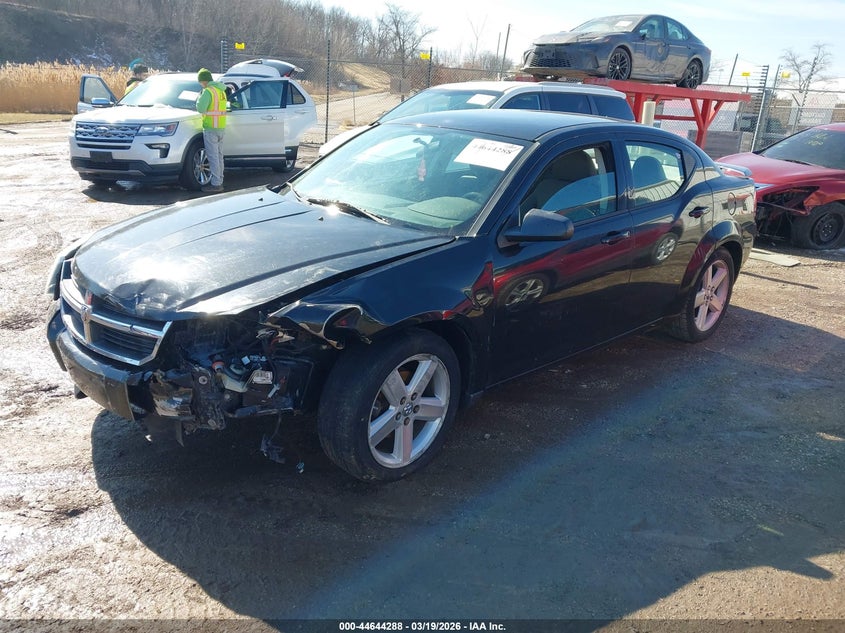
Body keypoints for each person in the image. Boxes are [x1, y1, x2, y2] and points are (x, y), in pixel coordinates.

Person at [195, 68, 228, 193]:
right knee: (219, 157)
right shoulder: (221, 91)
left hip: (210, 128)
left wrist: (199, 98)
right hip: (221, 127)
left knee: (213, 157)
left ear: (203, 81)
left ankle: (216, 184)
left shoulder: (208, 91)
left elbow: (200, 108)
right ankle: (220, 180)